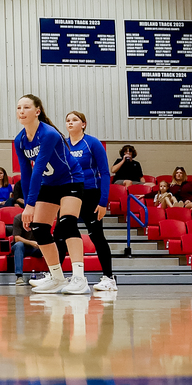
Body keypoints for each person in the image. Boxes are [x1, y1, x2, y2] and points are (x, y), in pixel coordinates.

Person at [15, 94, 86, 295]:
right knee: (39, 227)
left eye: (26, 107)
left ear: (37, 111)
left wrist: (31, 204)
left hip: (70, 180)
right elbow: (26, 173)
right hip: (49, 184)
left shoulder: (49, 134)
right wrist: (28, 205)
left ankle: (79, 278)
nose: (21, 111)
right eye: (19, 108)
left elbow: (38, 168)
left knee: (67, 223)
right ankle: (57, 278)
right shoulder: (20, 140)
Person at [65, 111, 116, 293]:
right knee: (63, 233)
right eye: (68, 120)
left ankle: (109, 278)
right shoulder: (63, 144)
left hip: (91, 194)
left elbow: (105, 173)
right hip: (70, 194)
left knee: (96, 235)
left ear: (83, 124)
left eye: (75, 120)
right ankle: (61, 277)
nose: (70, 123)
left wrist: (103, 202)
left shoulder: (92, 143)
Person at [11, 221, 42, 286]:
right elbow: (17, 238)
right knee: (19, 245)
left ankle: (52, 275)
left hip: (35, 247)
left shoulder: (39, 219)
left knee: (50, 245)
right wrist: (31, 242)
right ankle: (19, 277)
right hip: (21, 248)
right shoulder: (18, 218)